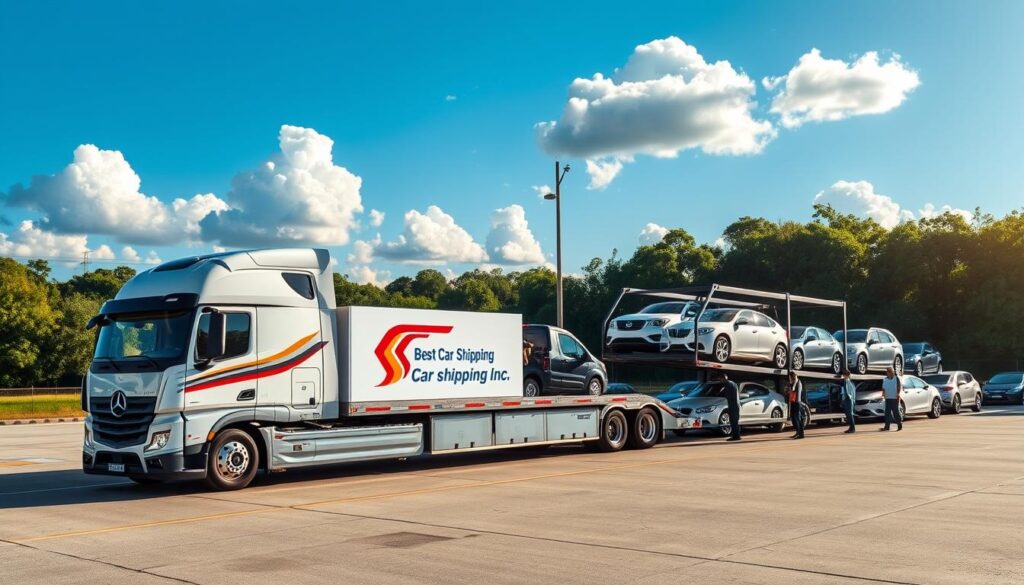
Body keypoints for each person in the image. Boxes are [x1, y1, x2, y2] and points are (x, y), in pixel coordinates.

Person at [880, 366, 903, 431]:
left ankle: (899, 425)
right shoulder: (885, 379)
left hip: (894, 398)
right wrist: (883, 394)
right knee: (887, 413)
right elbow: (883, 388)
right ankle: (887, 426)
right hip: (888, 398)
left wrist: (898, 394)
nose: (888, 373)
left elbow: (899, 387)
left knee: (896, 412)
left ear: (892, 372)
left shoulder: (896, 378)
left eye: (889, 371)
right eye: (887, 372)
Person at [721, 374, 742, 441]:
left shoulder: (728, 385)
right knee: (735, 421)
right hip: (736, 404)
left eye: (721, 379)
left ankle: (736, 436)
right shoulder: (733, 383)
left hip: (733, 405)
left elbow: (728, 395)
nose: (721, 381)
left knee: (733, 421)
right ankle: (736, 435)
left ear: (723, 378)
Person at [787, 371, 805, 439]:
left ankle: (801, 434)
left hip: (797, 402)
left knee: (798, 418)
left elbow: (794, 391)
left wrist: (791, 388)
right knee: (794, 419)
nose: (789, 378)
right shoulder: (793, 382)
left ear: (792, 376)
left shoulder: (798, 382)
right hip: (793, 402)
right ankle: (798, 432)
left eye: (790, 377)